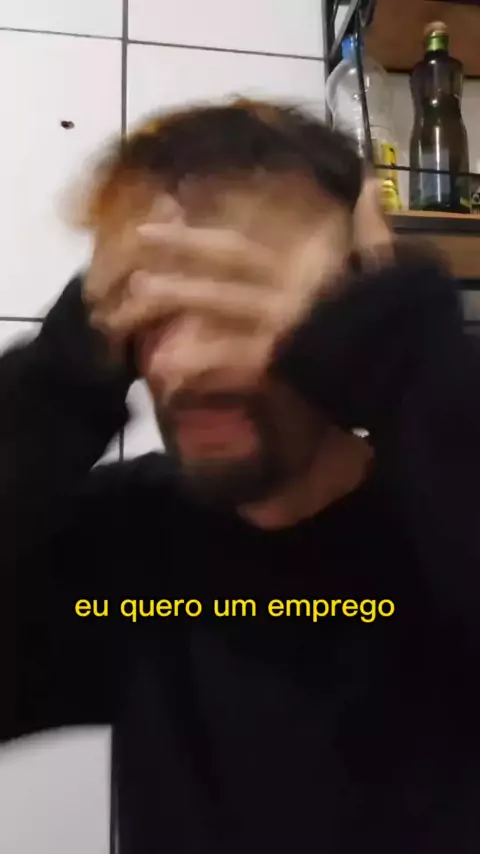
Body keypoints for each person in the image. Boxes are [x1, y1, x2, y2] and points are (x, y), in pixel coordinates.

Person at [1, 99, 480, 853]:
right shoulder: (129, 556)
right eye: (155, 308)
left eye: (234, 297)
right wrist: (58, 379)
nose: (183, 364)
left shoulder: (439, 521)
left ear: (346, 305)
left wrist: (412, 355)